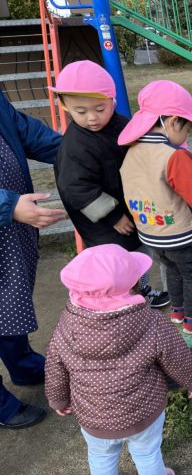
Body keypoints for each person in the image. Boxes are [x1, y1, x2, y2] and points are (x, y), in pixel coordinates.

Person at [44, 244, 192, 475]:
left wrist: (58, 400)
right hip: (143, 412)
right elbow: (177, 356)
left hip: (94, 417)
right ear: (134, 283)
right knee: (147, 453)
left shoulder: (66, 326)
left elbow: (54, 366)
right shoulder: (152, 321)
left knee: (100, 456)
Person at [118, 80, 192, 334]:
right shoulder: (173, 156)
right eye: (188, 129)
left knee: (172, 270)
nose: (186, 137)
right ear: (173, 122)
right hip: (181, 235)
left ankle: (178, 311)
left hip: (150, 235)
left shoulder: (133, 151)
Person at [51, 60, 169, 308]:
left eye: (100, 108)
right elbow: (77, 188)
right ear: (64, 105)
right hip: (104, 223)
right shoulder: (75, 146)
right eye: (80, 111)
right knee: (117, 263)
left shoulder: (119, 123)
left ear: (112, 101)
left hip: (128, 205)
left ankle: (141, 291)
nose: (92, 117)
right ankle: (124, 302)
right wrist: (113, 216)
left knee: (137, 253)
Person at [0, 92, 66, 429]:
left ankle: (22, 364)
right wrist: (8, 206)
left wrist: (82, 147)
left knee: (11, 300)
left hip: (11, 231)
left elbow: (25, 131)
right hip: (9, 213)